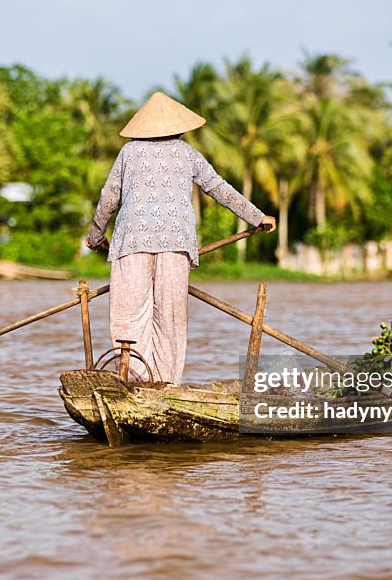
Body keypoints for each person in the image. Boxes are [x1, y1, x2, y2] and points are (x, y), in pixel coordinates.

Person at [86, 92, 276, 384]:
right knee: (170, 320)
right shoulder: (188, 153)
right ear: (180, 127)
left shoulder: (129, 152)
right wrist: (257, 216)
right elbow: (219, 188)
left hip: (131, 243)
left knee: (130, 316)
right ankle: (163, 384)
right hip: (176, 244)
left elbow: (108, 199)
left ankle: (131, 381)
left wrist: (96, 236)